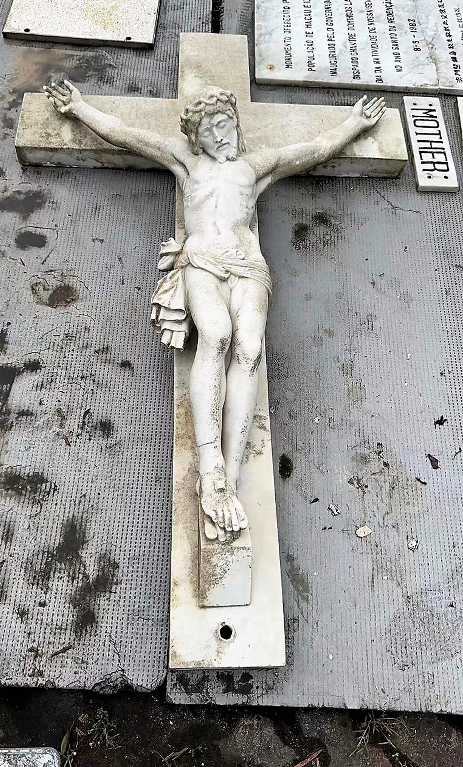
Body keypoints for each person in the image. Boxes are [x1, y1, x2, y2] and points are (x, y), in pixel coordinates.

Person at [44, 81, 386, 543]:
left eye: (224, 124)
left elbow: (313, 149)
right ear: (195, 140)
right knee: (217, 335)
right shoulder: (186, 163)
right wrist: (80, 107)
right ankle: (211, 467)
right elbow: (126, 134)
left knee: (250, 349)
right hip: (202, 260)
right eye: (208, 131)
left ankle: (231, 471)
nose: (219, 135)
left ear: (236, 124)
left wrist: (353, 124)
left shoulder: (255, 166)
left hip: (248, 267)